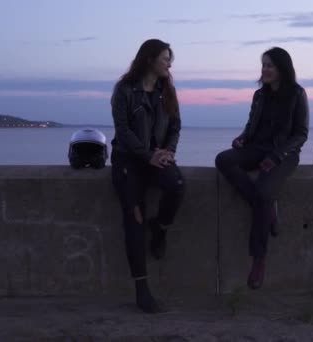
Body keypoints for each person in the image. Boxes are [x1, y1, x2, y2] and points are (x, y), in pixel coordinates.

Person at [215, 47, 309, 290]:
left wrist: (277, 156)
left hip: (284, 154)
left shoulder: (297, 94)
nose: (265, 69)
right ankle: (266, 211)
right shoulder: (259, 95)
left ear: (282, 69)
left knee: (264, 190)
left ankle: (259, 259)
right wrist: (243, 138)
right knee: (224, 160)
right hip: (257, 148)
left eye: (270, 65)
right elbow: (251, 126)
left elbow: (300, 134)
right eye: (263, 65)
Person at [110, 39, 185, 313]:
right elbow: (123, 130)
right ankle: (142, 290)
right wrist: (147, 154)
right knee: (134, 219)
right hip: (129, 160)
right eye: (165, 58)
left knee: (176, 185)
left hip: (157, 157)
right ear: (150, 59)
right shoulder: (125, 90)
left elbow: (175, 125)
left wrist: (168, 151)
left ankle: (161, 228)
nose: (169, 63)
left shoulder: (166, 91)